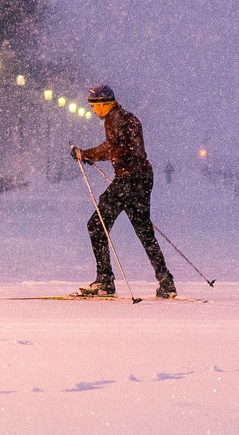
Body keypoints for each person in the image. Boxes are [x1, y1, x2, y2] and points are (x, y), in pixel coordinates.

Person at [70, 84, 174, 298]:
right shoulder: (130, 117)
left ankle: (104, 281)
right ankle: (166, 282)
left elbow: (113, 146)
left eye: (93, 105)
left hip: (128, 178)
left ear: (104, 103)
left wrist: (86, 154)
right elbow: (124, 148)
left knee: (96, 224)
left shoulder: (113, 118)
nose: (92, 110)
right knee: (144, 231)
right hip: (144, 177)